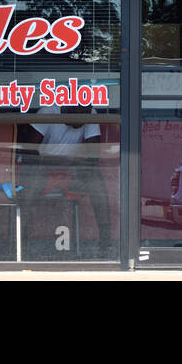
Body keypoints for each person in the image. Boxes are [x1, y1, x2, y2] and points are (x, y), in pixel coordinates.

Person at [20, 105, 114, 258]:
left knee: (95, 179)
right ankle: (21, 241)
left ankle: (106, 241)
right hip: (42, 171)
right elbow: (28, 154)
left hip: (70, 173)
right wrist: (61, 162)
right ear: (68, 107)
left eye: (85, 113)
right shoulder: (48, 112)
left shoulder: (89, 114)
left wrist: (71, 164)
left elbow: (93, 156)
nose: (82, 119)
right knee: (32, 179)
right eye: (79, 113)